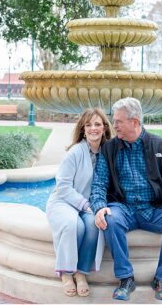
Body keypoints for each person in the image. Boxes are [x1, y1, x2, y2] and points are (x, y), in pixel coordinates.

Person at [89, 98, 162, 303]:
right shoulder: (109, 149)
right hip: (123, 207)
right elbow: (99, 184)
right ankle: (126, 278)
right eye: (113, 120)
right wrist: (99, 207)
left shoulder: (161, 145)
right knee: (110, 219)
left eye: (118, 121)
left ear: (135, 122)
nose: (113, 125)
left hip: (154, 208)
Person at [46, 109, 110, 297]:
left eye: (97, 124)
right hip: (64, 201)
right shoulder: (75, 152)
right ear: (83, 129)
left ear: (105, 128)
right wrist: (85, 205)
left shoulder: (108, 153)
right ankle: (66, 273)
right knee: (74, 225)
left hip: (90, 204)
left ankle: (81, 273)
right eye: (88, 125)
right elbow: (63, 186)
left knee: (93, 224)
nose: (93, 128)